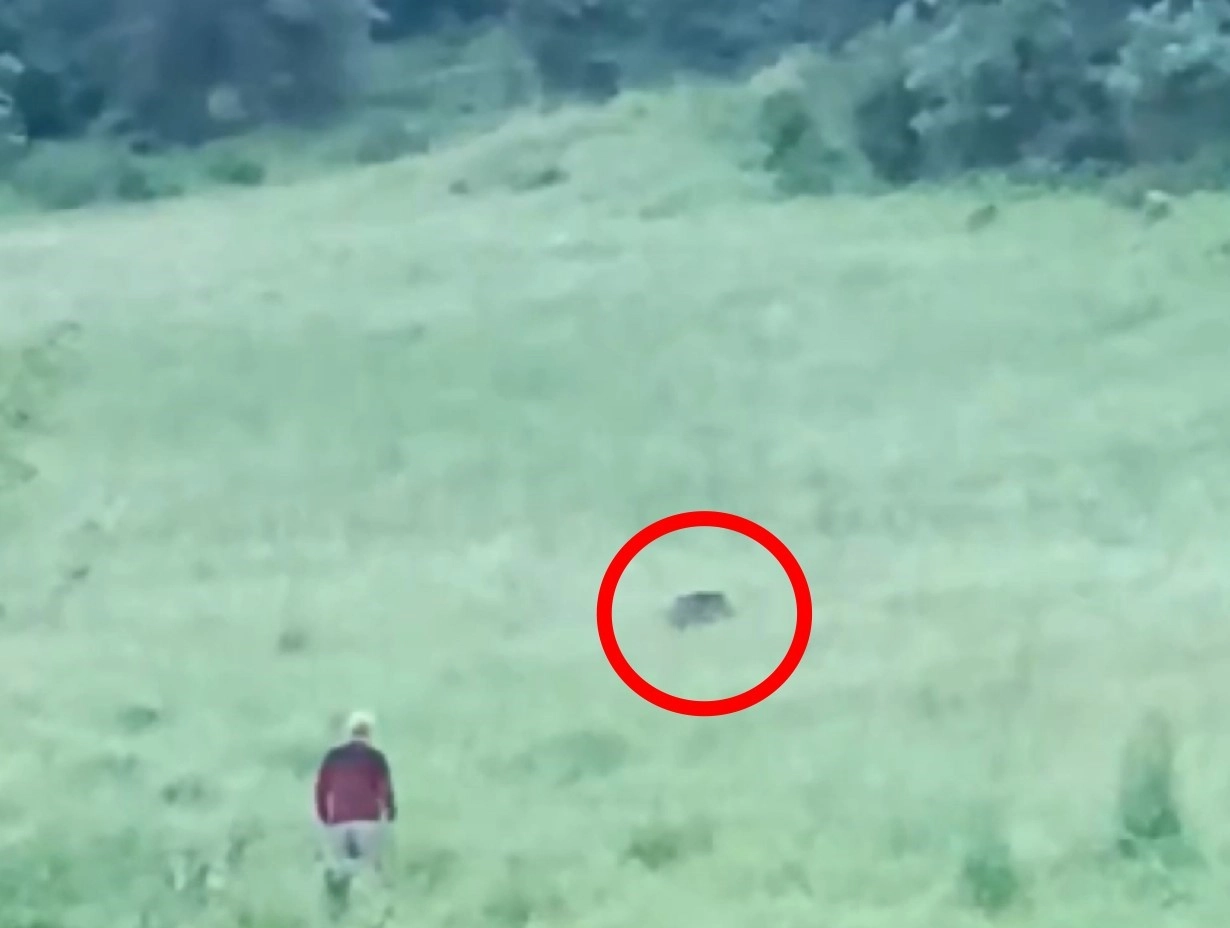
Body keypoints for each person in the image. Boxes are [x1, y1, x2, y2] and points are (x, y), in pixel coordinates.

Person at [315, 710, 397, 900]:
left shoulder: (333, 757)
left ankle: (338, 900)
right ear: (369, 732)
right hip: (367, 820)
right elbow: (384, 790)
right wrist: (390, 813)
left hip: (338, 821)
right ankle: (379, 905)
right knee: (370, 866)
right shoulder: (376, 757)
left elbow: (321, 789)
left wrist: (325, 816)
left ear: (350, 732)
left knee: (343, 866)